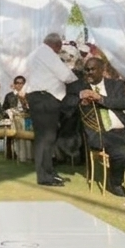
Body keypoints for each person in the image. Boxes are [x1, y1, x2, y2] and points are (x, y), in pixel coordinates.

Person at [74, 56, 125, 198]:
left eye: (92, 69)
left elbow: (124, 103)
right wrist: (80, 97)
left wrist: (100, 99)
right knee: (122, 153)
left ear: (102, 70)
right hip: (101, 133)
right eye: (86, 70)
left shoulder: (115, 84)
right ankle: (115, 183)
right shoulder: (78, 86)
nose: (88, 73)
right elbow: (67, 103)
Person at [24, 32, 80, 188]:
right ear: (56, 45)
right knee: (45, 138)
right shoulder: (46, 53)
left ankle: (49, 172)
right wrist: (78, 82)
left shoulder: (37, 53)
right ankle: (44, 176)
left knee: (48, 138)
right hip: (44, 99)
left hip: (41, 98)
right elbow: (65, 76)